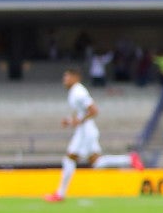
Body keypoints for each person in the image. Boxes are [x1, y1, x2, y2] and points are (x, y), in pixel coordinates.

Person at [44, 68, 143, 202]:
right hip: (86, 130)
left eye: (67, 77)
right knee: (97, 163)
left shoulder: (79, 92)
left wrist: (79, 120)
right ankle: (129, 159)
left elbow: (94, 110)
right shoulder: (74, 92)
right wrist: (69, 121)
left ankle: (60, 194)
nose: (64, 80)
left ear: (76, 77)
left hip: (85, 131)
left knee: (69, 159)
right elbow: (80, 114)